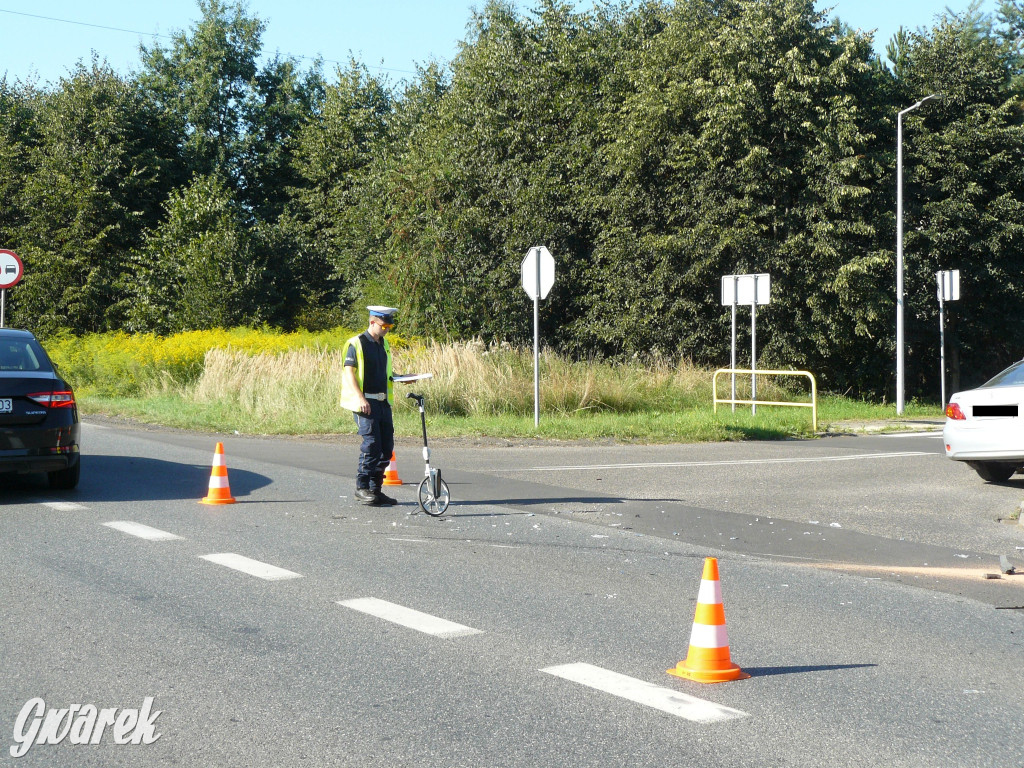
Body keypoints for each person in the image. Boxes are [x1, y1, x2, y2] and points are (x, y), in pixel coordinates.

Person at [340, 306, 407, 506]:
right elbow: (349, 373)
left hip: (383, 402)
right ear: (372, 322)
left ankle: (375, 490)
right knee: (371, 445)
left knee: (386, 448)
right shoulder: (356, 343)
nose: (387, 329)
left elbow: (384, 374)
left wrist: (402, 378)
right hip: (365, 402)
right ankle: (361, 488)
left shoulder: (383, 344)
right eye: (384, 325)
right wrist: (360, 398)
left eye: (389, 326)